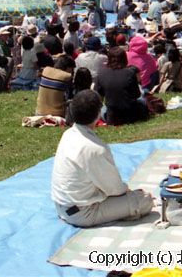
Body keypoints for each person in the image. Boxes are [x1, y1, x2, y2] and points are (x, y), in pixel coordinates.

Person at [51, 90, 154, 227]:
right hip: (83, 213)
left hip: (61, 205)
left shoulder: (68, 134)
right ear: (98, 113)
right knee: (144, 200)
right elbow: (116, 190)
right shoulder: (95, 149)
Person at [94, 47, 148, 125]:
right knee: (142, 100)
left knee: (103, 109)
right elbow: (137, 95)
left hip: (112, 118)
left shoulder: (101, 74)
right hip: (132, 116)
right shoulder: (130, 73)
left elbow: (100, 99)